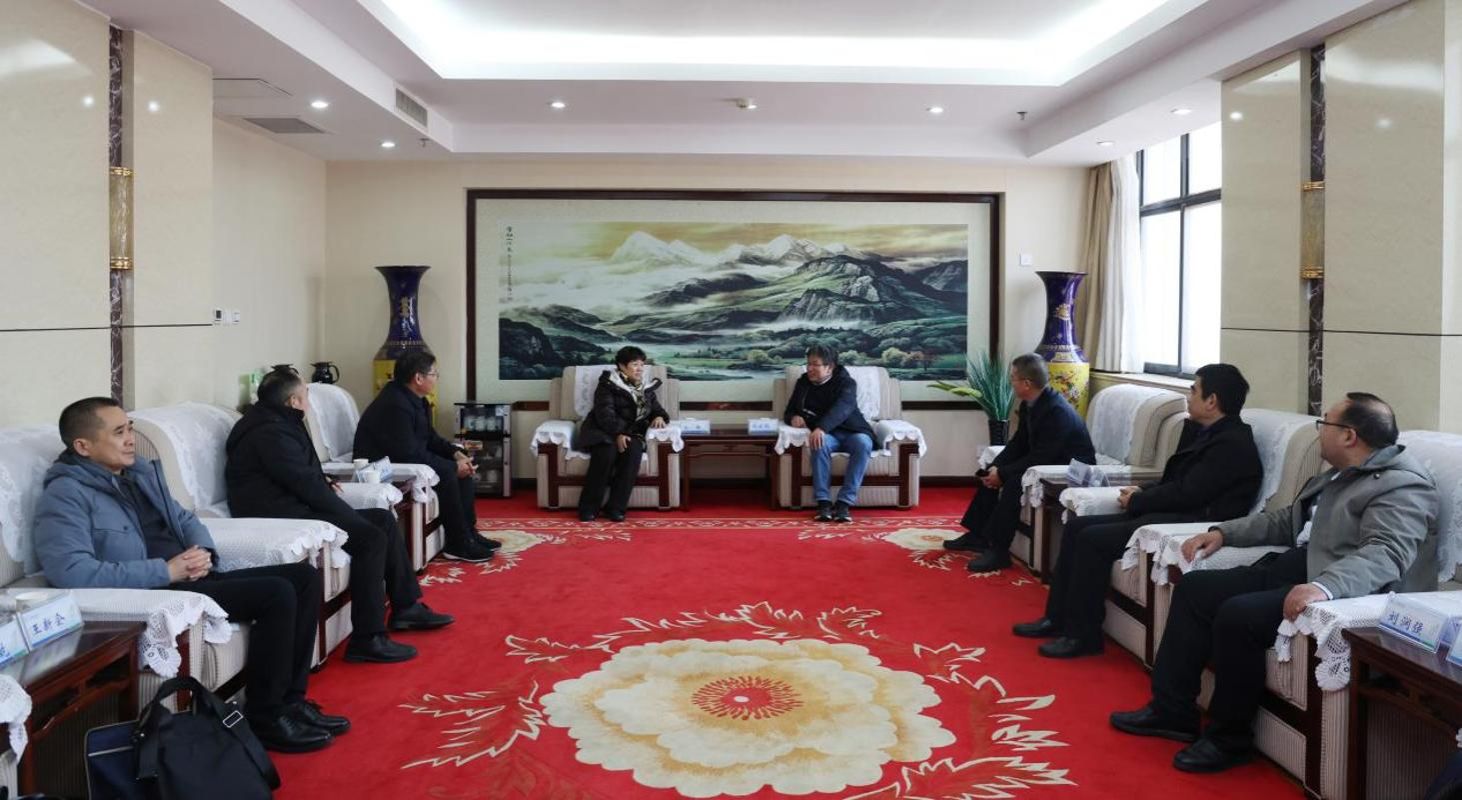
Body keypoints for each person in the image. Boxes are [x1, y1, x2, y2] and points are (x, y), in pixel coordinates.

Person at [1110, 392, 1439, 774]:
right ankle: (1172, 711)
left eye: (1325, 423)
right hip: (1298, 566)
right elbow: (1288, 521)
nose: (1319, 431)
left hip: (1339, 589)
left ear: (1349, 435)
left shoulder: (1402, 486)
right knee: (1196, 589)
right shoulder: (1340, 473)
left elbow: (1386, 553)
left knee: (1239, 615)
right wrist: (1223, 533)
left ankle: (1228, 739)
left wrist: (1325, 587)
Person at [34, 397, 347, 753]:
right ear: (83, 446)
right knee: (276, 593)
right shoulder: (65, 494)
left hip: (189, 576)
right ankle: (267, 716)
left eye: (130, 429)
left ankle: (291, 701)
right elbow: (71, 571)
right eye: (119, 432)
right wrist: (166, 570)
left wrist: (203, 552)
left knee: (303, 578)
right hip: (159, 591)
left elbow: (184, 519)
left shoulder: (139, 473)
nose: (131, 439)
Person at [1012, 363, 1263, 658]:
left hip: (1192, 521)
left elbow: (1189, 493)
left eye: (1194, 390)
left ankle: (1083, 635)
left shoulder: (1231, 444)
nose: (1189, 396)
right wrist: (1142, 491)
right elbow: (1174, 481)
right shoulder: (1206, 431)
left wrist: (1138, 501)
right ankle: (1056, 618)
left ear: (1212, 401)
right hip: (1175, 510)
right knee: (1078, 526)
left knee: (1092, 539)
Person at [225, 369, 454, 665]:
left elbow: (297, 472)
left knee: (382, 519)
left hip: (291, 502)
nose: (309, 401)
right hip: (279, 514)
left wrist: (323, 481)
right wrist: (348, 515)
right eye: (306, 395)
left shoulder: (277, 420)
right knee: (369, 537)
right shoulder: (269, 432)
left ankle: (406, 607)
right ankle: (367, 638)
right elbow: (303, 483)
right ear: (293, 401)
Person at [947, 354, 1096, 573]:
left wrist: (1003, 474)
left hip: (1072, 469)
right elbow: (1019, 442)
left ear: (1026, 383)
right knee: (990, 473)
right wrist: (996, 467)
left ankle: (999, 551)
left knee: (1014, 482)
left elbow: (1042, 457)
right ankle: (977, 535)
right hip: (1048, 460)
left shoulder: (1056, 411)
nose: (1011, 382)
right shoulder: (1030, 403)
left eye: (1013, 378)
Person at [353, 351, 499, 563]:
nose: (437, 378)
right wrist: (452, 467)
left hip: (407, 456)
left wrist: (456, 453)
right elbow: (407, 453)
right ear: (418, 378)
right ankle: (457, 543)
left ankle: (468, 533)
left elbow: (429, 437)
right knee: (449, 472)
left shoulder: (416, 399)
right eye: (434, 374)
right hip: (383, 468)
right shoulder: (394, 405)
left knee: (461, 467)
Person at [783, 344, 877, 523]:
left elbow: (843, 408)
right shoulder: (803, 382)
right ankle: (823, 502)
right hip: (828, 435)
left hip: (852, 431)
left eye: (815, 364)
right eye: (808, 364)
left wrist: (821, 428)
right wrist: (793, 417)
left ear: (830, 367)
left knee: (864, 442)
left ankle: (844, 503)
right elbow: (789, 411)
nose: (810, 368)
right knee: (819, 442)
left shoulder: (846, 382)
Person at [576, 346, 669, 522]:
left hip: (631, 434)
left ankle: (615, 508)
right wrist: (619, 433)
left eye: (642, 364)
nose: (640, 369)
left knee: (633, 452)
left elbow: (658, 411)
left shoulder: (646, 389)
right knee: (607, 453)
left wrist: (658, 417)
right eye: (635, 364)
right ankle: (588, 508)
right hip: (602, 430)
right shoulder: (607, 384)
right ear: (622, 366)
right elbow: (604, 414)